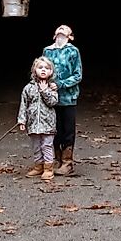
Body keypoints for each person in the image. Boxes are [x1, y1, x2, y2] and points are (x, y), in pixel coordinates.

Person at [42, 25, 82, 176]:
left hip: (68, 98)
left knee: (68, 130)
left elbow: (78, 75)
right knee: (54, 129)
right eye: (59, 30)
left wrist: (61, 84)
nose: (61, 31)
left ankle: (67, 162)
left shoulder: (73, 51)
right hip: (51, 98)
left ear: (70, 36)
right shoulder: (48, 51)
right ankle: (56, 159)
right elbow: (42, 68)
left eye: (64, 31)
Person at [17, 56, 58, 180]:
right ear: (34, 70)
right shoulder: (28, 88)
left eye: (47, 68)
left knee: (47, 145)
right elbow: (23, 104)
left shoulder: (52, 87)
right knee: (36, 146)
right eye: (40, 67)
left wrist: (45, 91)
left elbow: (53, 102)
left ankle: (48, 168)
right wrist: (22, 120)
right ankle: (38, 166)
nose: (43, 70)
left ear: (51, 71)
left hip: (48, 123)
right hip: (33, 123)